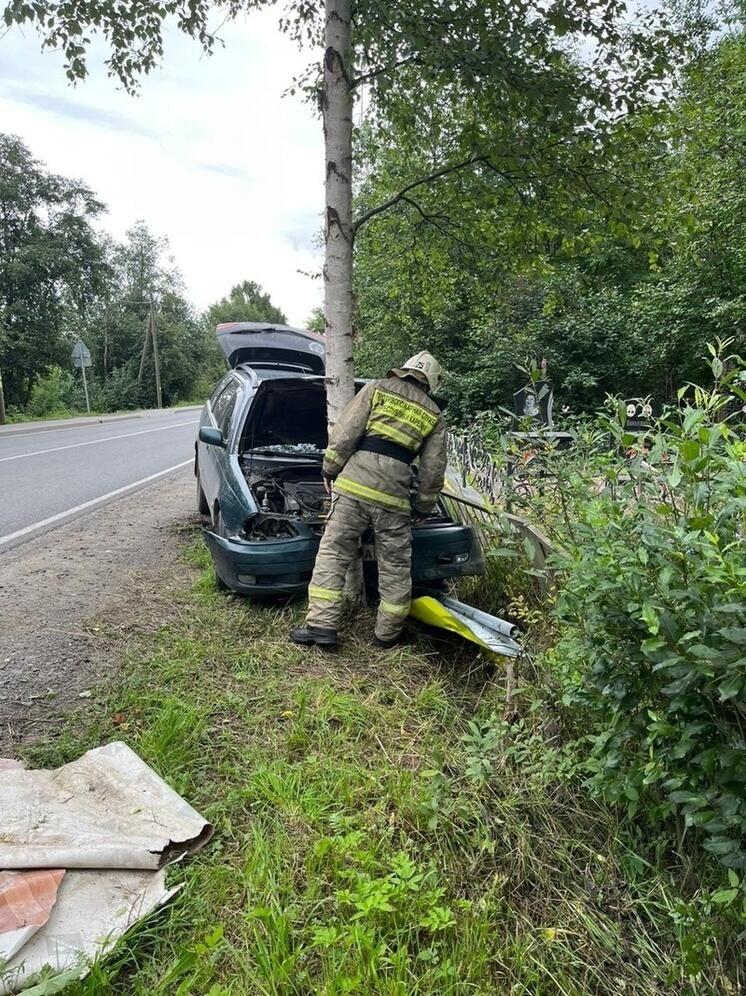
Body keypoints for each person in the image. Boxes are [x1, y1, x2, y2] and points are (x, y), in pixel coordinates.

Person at [290, 351, 447, 649]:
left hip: (354, 487)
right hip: (394, 498)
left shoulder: (377, 388)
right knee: (396, 565)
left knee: (334, 553)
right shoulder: (434, 415)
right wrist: (423, 507)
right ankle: (386, 635)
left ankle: (322, 627)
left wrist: (330, 468)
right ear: (432, 383)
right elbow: (433, 469)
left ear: (404, 370)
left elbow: (346, 432)